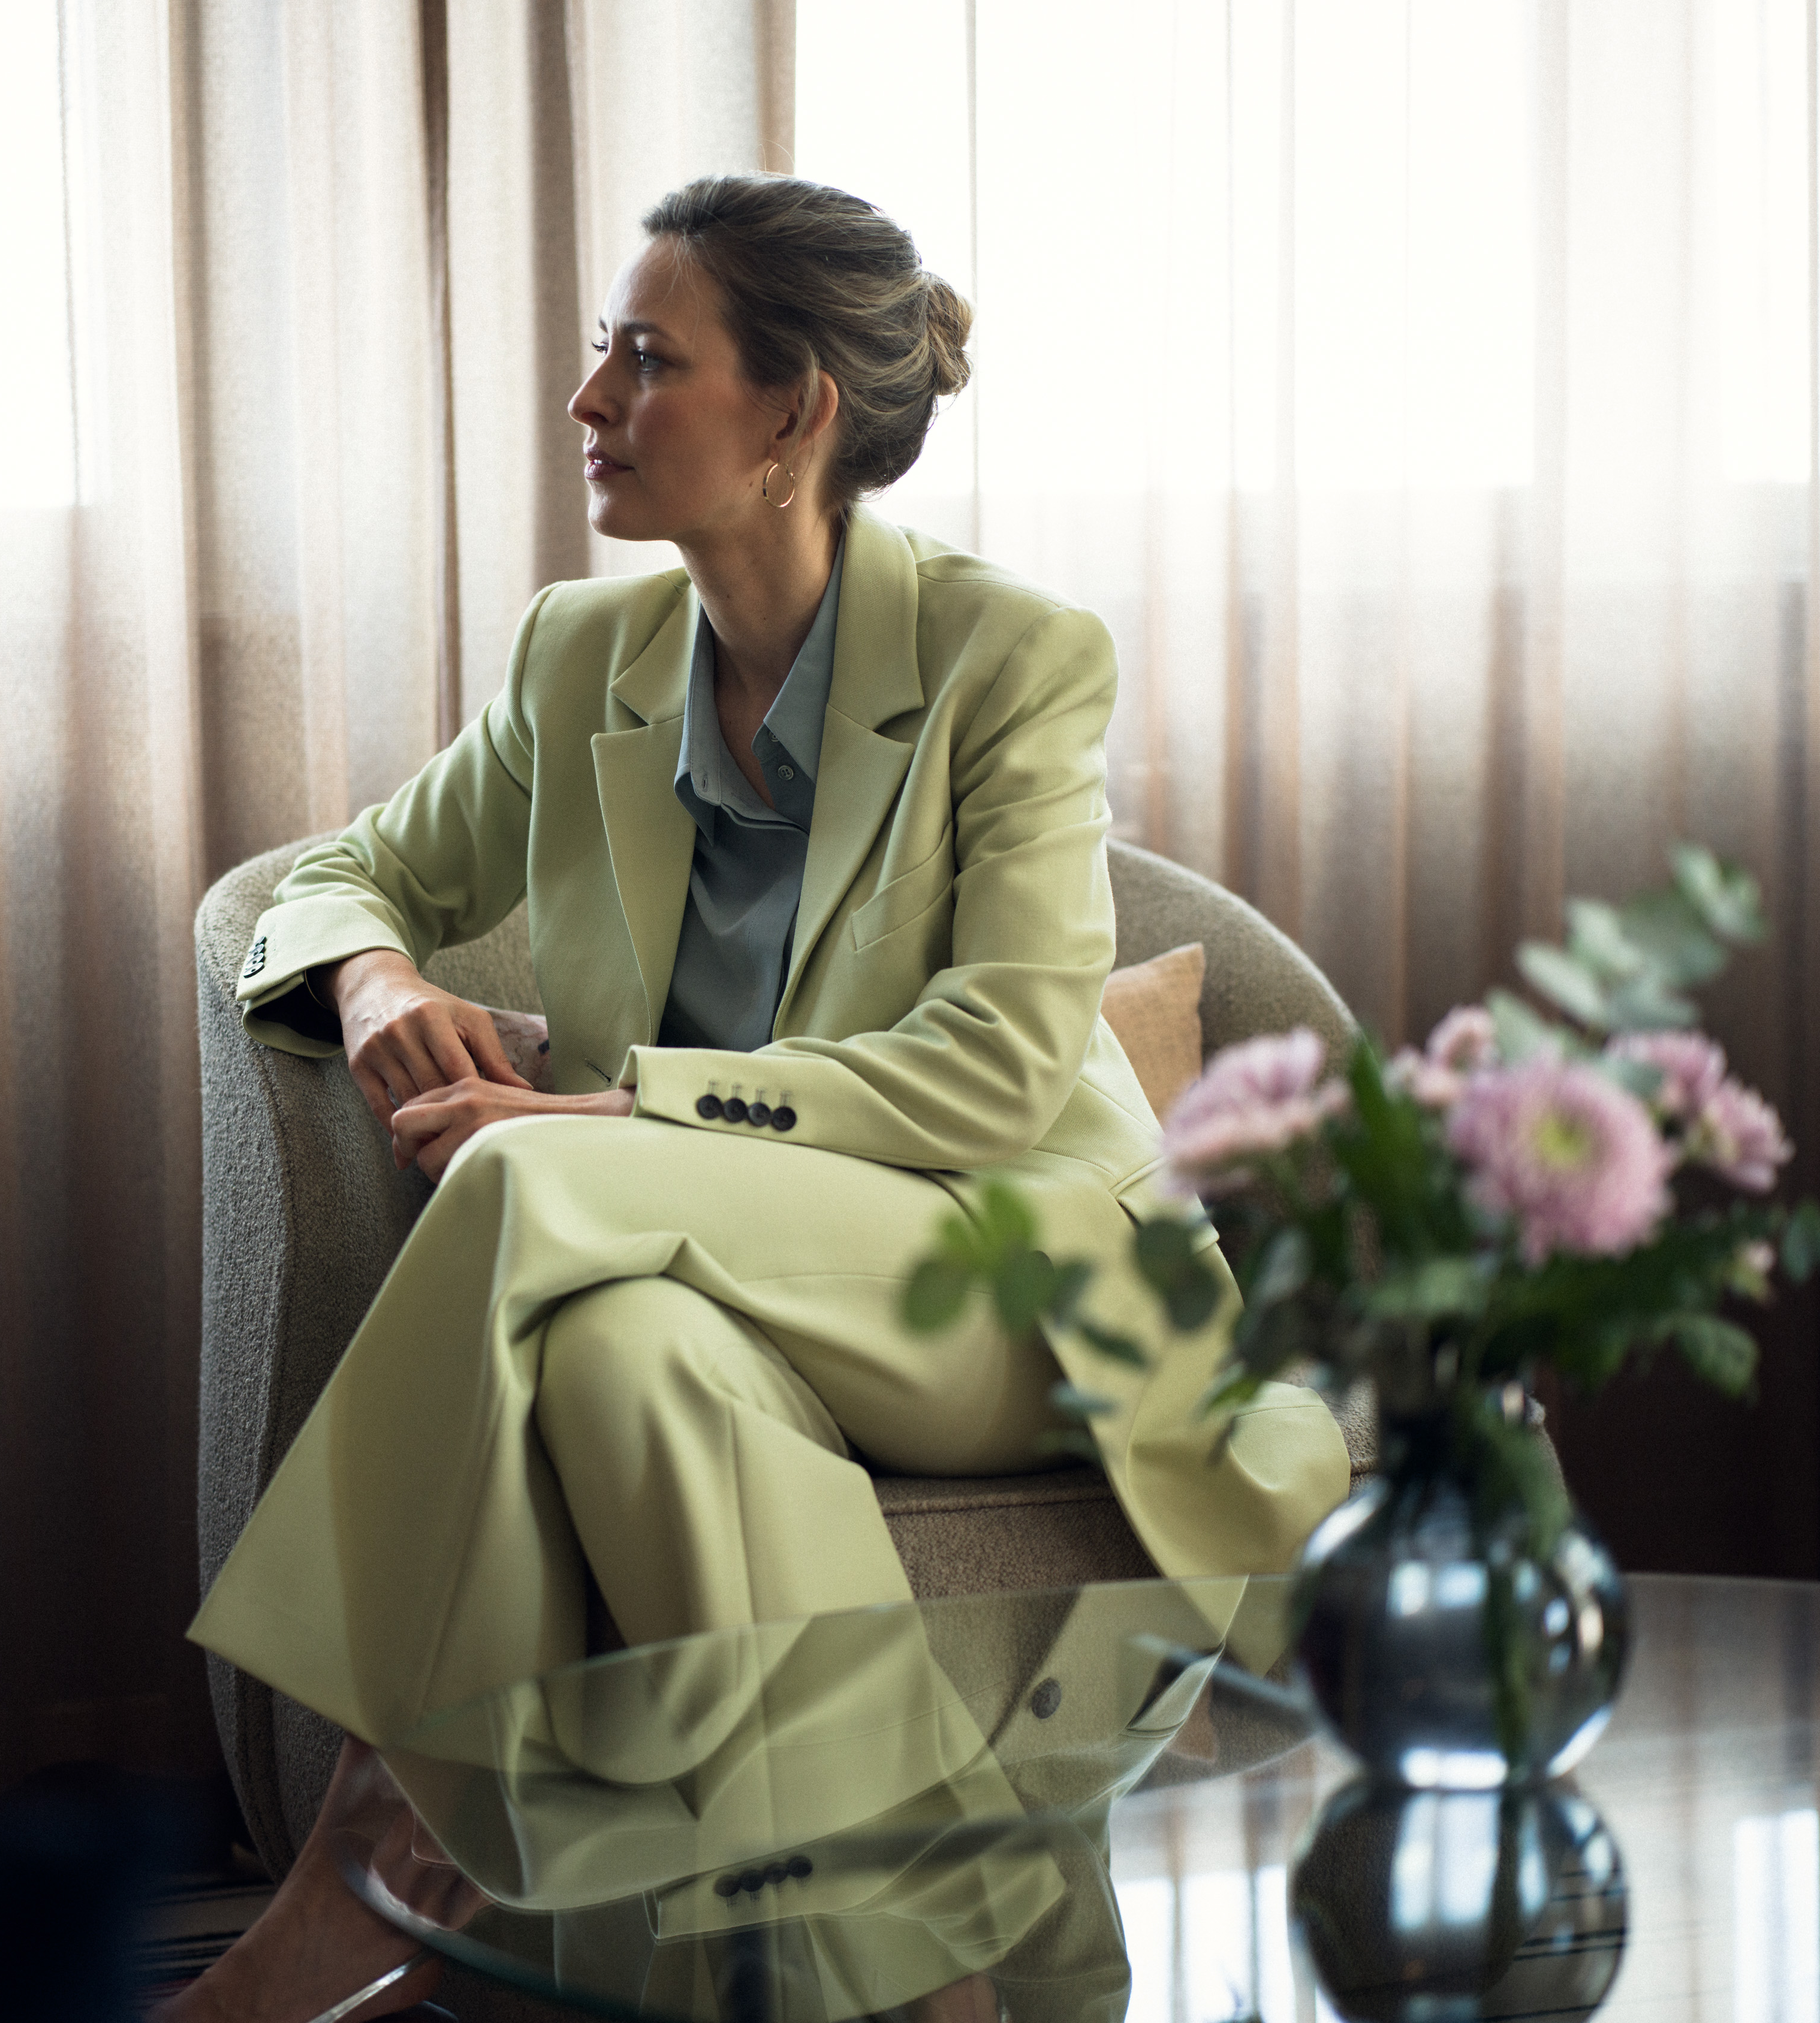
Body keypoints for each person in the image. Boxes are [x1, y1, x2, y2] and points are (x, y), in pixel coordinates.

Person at [163, 174, 1349, 2023]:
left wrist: (623, 1117)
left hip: (1008, 1280)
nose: (589, 401)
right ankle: (919, 1982)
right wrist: (380, 976)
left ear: (795, 414)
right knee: (626, 1361)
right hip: (722, 1292)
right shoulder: (585, 661)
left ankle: (370, 1848)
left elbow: (1001, 1066)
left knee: (514, 1195)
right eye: (599, 352)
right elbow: (335, 879)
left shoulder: (1009, 662)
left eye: (648, 358)